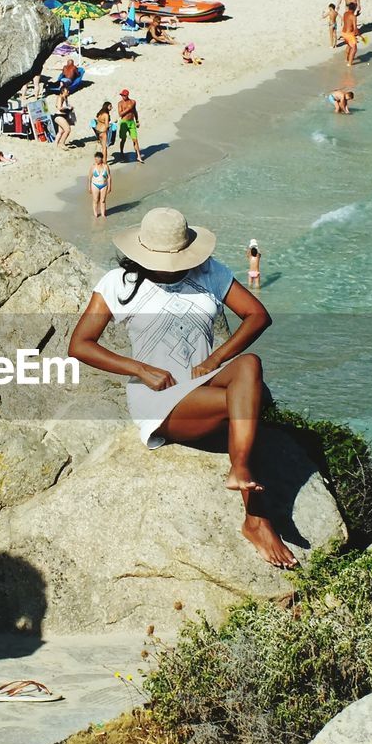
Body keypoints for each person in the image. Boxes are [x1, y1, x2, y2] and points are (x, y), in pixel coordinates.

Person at [68, 207, 294, 568]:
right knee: (247, 402)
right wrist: (140, 368)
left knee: (249, 365)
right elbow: (80, 344)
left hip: (204, 384)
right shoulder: (117, 283)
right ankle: (257, 517)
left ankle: (241, 475)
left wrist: (213, 360)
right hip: (158, 400)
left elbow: (257, 315)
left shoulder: (210, 272)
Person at [117, 89, 143, 163]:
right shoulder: (120, 103)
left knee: (135, 139)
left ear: (127, 95)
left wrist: (137, 120)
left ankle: (138, 156)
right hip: (124, 122)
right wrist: (128, 108)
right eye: (122, 95)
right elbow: (120, 114)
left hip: (132, 122)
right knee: (123, 139)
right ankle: (121, 152)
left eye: (124, 95)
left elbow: (135, 111)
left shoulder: (133, 102)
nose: (122, 97)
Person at [88, 151, 111, 218]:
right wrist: (89, 187)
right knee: (95, 200)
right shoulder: (93, 167)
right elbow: (89, 177)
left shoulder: (106, 166)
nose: (96, 160)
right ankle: (96, 214)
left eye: (98, 158)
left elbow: (109, 177)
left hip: (104, 185)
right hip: (95, 185)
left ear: (101, 159)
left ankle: (103, 214)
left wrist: (109, 187)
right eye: (95, 158)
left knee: (103, 200)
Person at [340, 2, 359, 67]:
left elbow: (348, 20)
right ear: (355, 8)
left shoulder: (345, 13)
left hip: (343, 32)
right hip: (349, 34)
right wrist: (357, 33)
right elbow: (355, 28)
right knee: (354, 48)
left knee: (349, 45)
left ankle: (346, 59)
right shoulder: (353, 17)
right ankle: (349, 64)